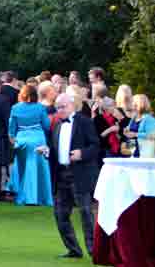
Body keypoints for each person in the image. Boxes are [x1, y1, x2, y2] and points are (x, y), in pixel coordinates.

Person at [48, 93, 101, 259]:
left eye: (62, 106)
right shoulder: (57, 124)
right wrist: (47, 152)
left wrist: (82, 153)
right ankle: (73, 249)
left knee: (86, 212)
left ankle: (94, 251)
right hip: (62, 174)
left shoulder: (84, 122)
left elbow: (95, 146)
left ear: (71, 105)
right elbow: (56, 150)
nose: (59, 110)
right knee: (60, 214)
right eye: (57, 107)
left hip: (80, 174)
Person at [6, 85, 54, 206]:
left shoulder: (15, 108)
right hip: (38, 139)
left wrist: (13, 139)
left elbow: (11, 128)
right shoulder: (40, 107)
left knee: (23, 167)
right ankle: (41, 198)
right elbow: (47, 126)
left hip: (22, 140)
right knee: (40, 168)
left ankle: (24, 196)